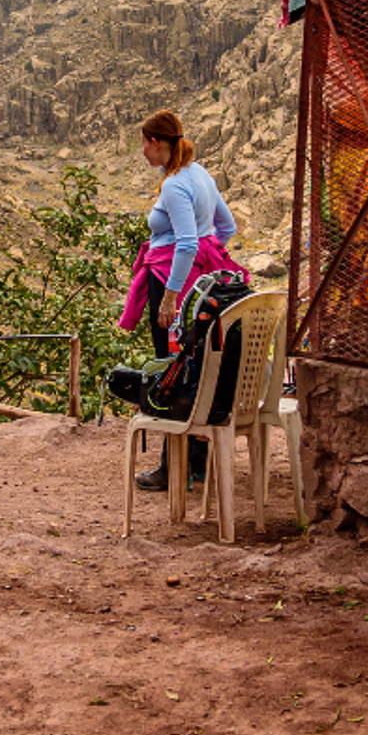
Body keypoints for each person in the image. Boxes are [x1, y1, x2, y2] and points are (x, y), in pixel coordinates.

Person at [118, 110, 244, 491]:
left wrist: (171, 296)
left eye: (143, 143)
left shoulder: (174, 185)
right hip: (200, 289)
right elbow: (227, 227)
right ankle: (196, 464)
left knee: (170, 374)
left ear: (156, 143)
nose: (141, 151)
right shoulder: (199, 173)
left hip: (172, 285)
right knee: (195, 370)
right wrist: (207, 259)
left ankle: (170, 467)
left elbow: (187, 242)